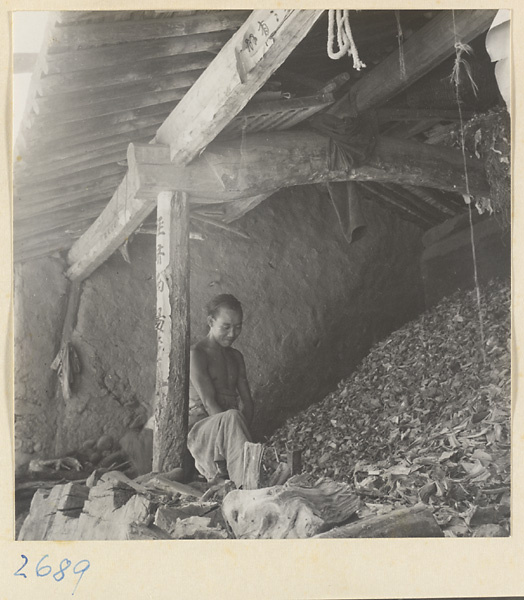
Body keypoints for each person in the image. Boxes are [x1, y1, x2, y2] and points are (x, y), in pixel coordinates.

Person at [187, 294, 254, 488]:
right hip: (202, 432)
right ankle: (246, 485)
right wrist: (232, 431)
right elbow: (209, 403)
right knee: (233, 416)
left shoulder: (236, 357)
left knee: (235, 417)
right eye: (226, 327)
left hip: (230, 429)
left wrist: (242, 432)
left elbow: (248, 402)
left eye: (238, 326)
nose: (232, 333)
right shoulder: (197, 354)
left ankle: (243, 478)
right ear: (210, 322)